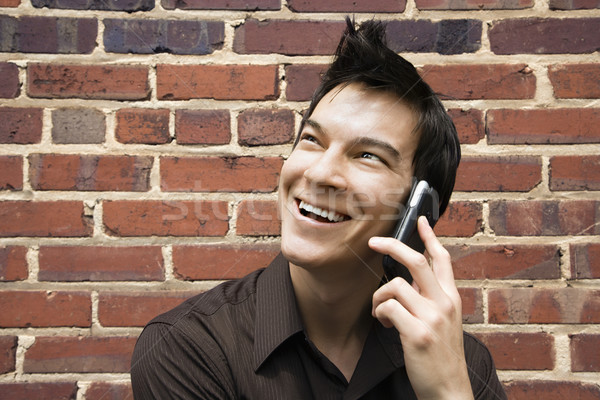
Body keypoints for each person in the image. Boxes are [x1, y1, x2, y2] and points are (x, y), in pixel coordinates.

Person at [131, 18, 507, 399]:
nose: (320, 172)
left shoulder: (465, 366)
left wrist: (449, 392)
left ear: (416, 210)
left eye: (367, 155)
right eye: (312, 139)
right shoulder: (186, 348)